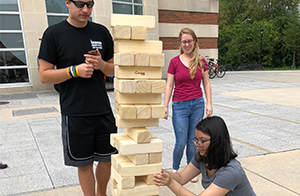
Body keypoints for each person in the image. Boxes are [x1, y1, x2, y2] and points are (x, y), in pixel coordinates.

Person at [38, 0, 117, 195]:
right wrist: (74, 71)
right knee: (84, 163)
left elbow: (115, 68)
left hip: (103, 109)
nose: (85, 10)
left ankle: (102, 194)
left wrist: (102, 66)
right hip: (75, 111)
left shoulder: (101, 32)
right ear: (67, 3)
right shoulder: (54, 34)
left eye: (90, 4)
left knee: (107, 159)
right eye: (80, 4)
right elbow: (44, 75)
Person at [153, 116, 256, 196]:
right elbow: (180, 178)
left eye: (203, 141)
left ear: (217, 141)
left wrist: (170, 183)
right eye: (196, 140)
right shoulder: (202, 157)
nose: (198, 144)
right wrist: (160, 171)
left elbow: (175, 182)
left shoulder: (231, 172)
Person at [164, 27, 212, 182]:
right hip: (180, 105)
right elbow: (169, 85)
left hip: (197, 103)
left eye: (189, 41)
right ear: (180, 43)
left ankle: (191, 170)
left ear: (194, 41)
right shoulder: (174, 62)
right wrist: (165, 106)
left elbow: (206, 83)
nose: (187, 44)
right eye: (184, 41)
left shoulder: (201, 61)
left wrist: (209, 103)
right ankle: (176, 168)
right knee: (181, 142)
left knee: (193, 140)